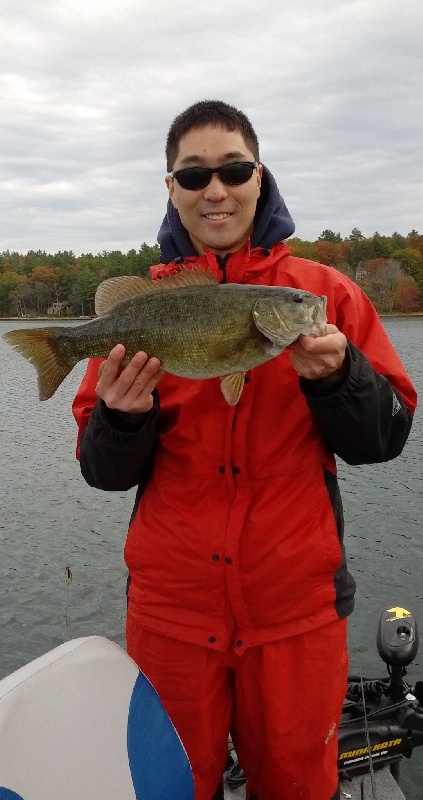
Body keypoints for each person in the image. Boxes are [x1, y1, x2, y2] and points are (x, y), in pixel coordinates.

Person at [72, 100, 417, 800]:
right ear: (170, 188)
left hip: (296, 610)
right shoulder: (143, 309)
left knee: (296, 784)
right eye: (193, 176)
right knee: (170, 786)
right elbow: (101, 472)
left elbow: (384, 437)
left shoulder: (325, 296)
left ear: (259, 177)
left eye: (233, 169)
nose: (216, 190)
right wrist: (121, 418)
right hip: (171, 611)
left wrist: (339, 379)